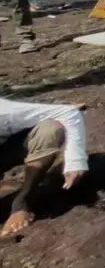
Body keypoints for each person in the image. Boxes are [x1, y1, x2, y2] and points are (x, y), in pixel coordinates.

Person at [0, 99, 88, 238]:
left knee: (49, 130)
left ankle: (22, 201)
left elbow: (69, 113)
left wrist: (75, 161)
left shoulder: (4, 112)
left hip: (9, 148)